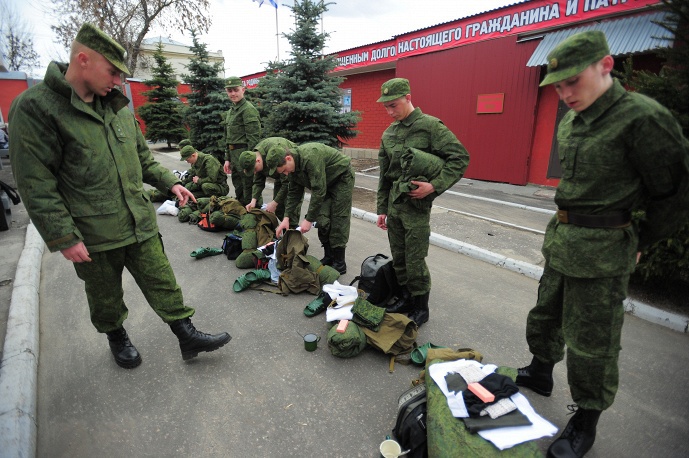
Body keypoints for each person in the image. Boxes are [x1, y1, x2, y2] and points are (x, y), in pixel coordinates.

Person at [9, 23, 231, 369]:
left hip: (138, 221)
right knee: (105, 297)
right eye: (112, 71)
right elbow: (37, 183)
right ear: (83, 60)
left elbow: (142, 160)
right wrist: (63, 236)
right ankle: (117, 336)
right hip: (93, 235)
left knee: (163, 280)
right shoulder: (37, 109)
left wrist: (169, 183)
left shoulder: (117, 109)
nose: (117, 81)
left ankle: (186, 335)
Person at [515, 31, 689, 458]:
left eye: (572, 81)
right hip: (563, 240)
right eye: (556, 85)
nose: (563, 93)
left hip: (605, 249)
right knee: (545, 315)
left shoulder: (642, 119)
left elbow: (675, 193)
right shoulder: (574, 119)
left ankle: (585, 421)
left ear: (605, 66)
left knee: (592, 342)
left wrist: (640, 239)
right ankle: (541, 371)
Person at [375, 78, 470, 327]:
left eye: (393, 105)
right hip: (395, 205)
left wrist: (434, 186)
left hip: (416, 207)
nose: (389, 112)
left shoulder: (430, 126)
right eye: (386, 107)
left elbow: (459, 158)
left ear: (408, 97)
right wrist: (382, 209)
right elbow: (385, 175)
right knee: (399, 258)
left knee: (415, 259)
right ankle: (406, 298)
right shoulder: (389, 133)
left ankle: (421, 307)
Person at [269, 143, 354, 274]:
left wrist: (308, 220)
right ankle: (329, 256)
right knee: (322, 219)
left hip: (341, 179)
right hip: (325, 183)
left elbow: (318, 191)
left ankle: (339, 262)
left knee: (338, 219)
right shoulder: (292, 169)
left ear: (288, 158)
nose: (286, 174)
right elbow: (293, 193)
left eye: (285, 170)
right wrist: (286, 218)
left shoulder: (310, 157)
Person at [222, 76, 262, 206]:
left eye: (235, 90)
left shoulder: (248, 110)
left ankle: (256, 219)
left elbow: (254, 138)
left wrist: (251, 161)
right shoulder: (231, 111)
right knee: (239, 189)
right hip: (234, 157)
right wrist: (227, 159)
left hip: (245, 155)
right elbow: (228, 137)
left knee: (249, 190)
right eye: (229, 91)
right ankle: (244, 217)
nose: (233, 94)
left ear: (243, 90)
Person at [239, 136, 296, 218]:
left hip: (292, 176)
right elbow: (258, 182)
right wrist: (253, 201)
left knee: (290, 212)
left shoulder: (276, 153)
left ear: (258, 161)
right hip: (280, 177)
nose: (254, 172)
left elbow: (287, 183)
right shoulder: (255, 156)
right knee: (279, 210)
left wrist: (274, 203)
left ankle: (292, 229)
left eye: (254, 169)